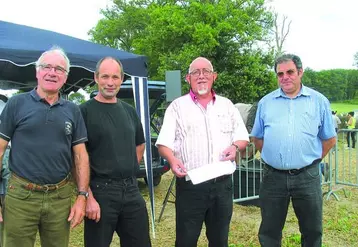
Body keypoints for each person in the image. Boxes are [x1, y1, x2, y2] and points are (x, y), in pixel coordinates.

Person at [0, 47, 90, 247]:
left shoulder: (73, 110)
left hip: (60, 197)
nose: (52, 72)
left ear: (65, 77)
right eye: (46, 67)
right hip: (21, 196)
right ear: (37, 71)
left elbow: (80, 156)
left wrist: (82, 197)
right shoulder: (16, 104)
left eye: (59, 69)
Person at [156, 57, 249, 247]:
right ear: (187, 79)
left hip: (222, 186)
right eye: (195, 73)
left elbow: (242, 137)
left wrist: (235, 147)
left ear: (214, 76)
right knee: (186, 240)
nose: (201, 76)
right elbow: (163, 143)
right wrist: (172, 160)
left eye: (206, 71)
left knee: (219, 240)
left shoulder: (227, 105)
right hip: (191, 187)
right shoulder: (177, 107)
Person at [251, 54, 336, 247]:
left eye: (290, 72)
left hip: (307, 177)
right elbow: (257, 138)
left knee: (312, 230)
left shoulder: (319, 101)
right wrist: (276, 158)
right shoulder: (266, 102)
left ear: (300, 72)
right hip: (273, 178)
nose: (285, 77)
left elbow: (329, 139)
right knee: (269, 231)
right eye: (280, 74)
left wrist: (308, 159)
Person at [80, 57, 151, 247]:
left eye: (115, 77)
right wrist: (88, 196)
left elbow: (140, 144)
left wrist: (127, 168)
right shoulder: (83, 112)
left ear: (121, 79)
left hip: (131, 190)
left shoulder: (129, 111)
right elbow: (78, 158)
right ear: (96, 78)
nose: (110, 83)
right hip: (100, 192)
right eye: (105, 77)